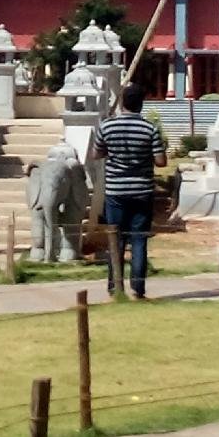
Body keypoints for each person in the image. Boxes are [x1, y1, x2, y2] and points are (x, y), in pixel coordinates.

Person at [95, 83, 166, 299]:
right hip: (142, 190)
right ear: (141, 104)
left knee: (115, 240)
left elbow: (96, 154)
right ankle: (138, 288)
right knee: (138, 239)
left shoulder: (106, 126)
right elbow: (161, 161)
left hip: (115, 191)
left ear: (123, 103)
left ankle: (114, 286)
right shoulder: (149, 128)